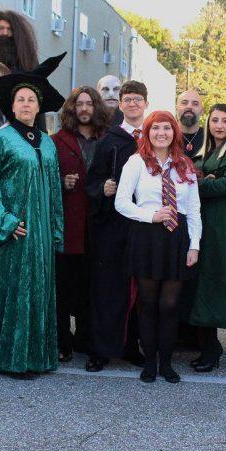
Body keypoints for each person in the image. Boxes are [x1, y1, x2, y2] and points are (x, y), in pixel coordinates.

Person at [0, 56, 66, 377]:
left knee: (40, 292)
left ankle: (38, 357)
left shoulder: (47, 142)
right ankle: (12, 359)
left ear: (38, 106)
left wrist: (56, 231)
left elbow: (55, 190)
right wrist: (5, 222)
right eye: (21, 99)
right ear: (12, 106)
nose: (26, 104)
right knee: (17, 292)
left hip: (42, 231)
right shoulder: (1, 140)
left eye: (31, 99)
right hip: (17, 230)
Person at [115, 110, 202, 383]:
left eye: (166, 128)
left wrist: (194, 245)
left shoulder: (185, 165)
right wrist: (150, 215)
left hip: (177, 239)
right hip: (147, 237)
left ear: (174, 133)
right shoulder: (136, 163)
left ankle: (167, 363)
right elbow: (121, 202)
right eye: (155, 128)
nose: (161, 133)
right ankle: (149, 362)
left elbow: (195, 210)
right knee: (149, 303)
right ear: (147, 133)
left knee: (170, 304)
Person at [83, 80, 150, 371]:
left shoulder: (155, 137)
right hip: (111, 227)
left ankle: (130, 346)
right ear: (120, 105)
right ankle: (100, 349)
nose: (132, 104)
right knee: (106, 288)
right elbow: (91, 182)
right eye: (127, 99)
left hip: (143, 227)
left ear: (146, 103)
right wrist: (103, 188)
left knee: (138, 289)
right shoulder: (109, 140)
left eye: (138, 99)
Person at [186, 104, 226, 372]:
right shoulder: (204, 149)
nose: (219, 125)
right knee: (198, 282)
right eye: (214, 120)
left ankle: (212, 348)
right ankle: (205, 345)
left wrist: (198, 182)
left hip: (219, 226)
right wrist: (205, 178)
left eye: (225, 121)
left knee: (213, 282)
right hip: (199, 223)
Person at [52, 86, 111, 361]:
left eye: (89, 103)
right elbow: (44, 179)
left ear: (96, 108)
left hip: (99, 226)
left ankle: (85, 339)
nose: (84, 108)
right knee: (64, 287)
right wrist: (61, 182)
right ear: (72, 109)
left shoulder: (108, 139)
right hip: (68, 225)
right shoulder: (56, 141)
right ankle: (62, 341)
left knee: (93, 288)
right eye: (80, 104)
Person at [177, 88, 205, 156]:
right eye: (184, 103)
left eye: (195, 104)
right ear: (177, 108)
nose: (189, 106)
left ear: (202, 111)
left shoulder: (210, 138)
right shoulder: (167, 136)